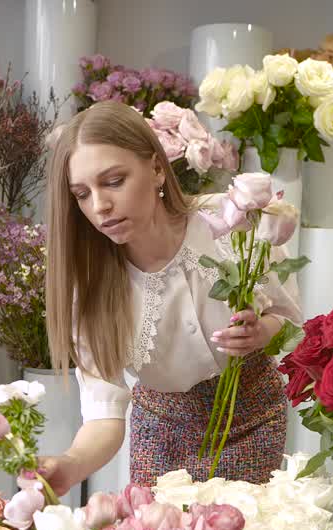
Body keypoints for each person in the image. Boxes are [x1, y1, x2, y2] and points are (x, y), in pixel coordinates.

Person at [38, 100, 302, 497]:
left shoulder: (233, 223)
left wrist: (261, 333)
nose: (99, 206)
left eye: (113, 181)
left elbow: (292, 321)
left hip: (251, 421)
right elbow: (103, 414)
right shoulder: (89, 286)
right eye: (81, 194)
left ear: (157, 167)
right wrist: (69, 466)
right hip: (159, 434)